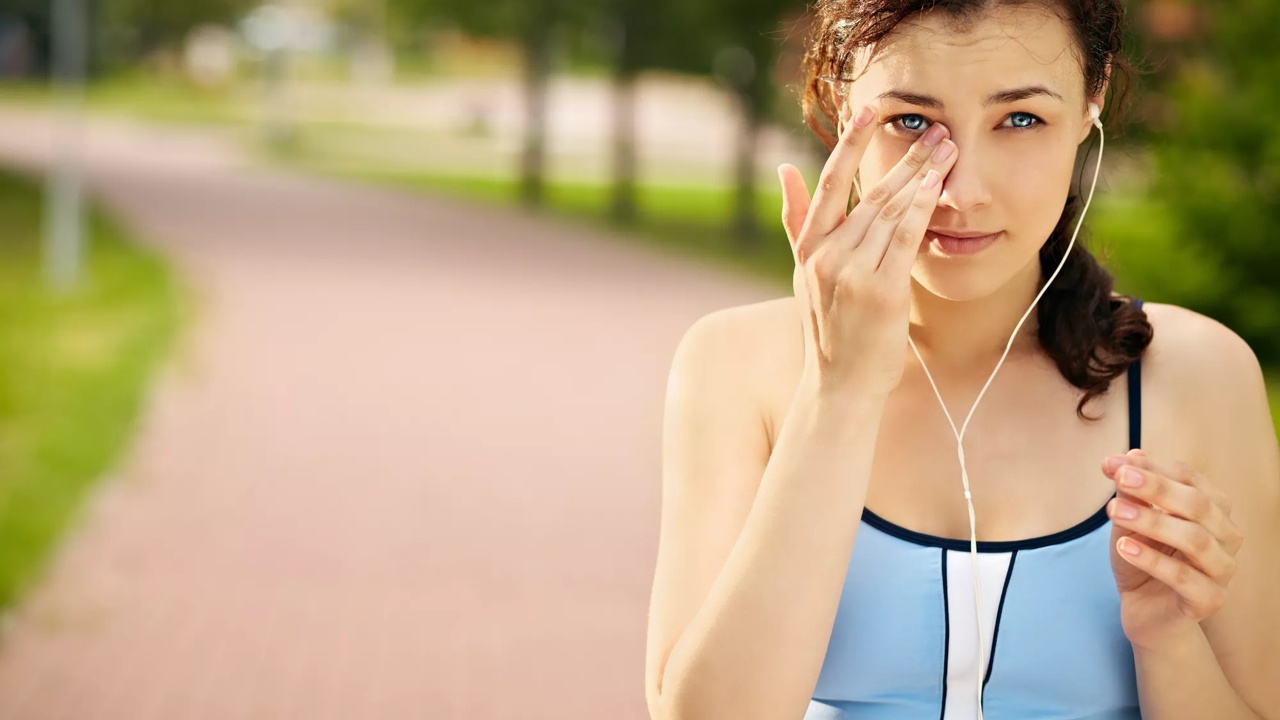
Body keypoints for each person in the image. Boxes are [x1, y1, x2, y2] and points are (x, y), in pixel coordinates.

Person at [644, 2, 1280, 720]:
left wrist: (1168, 637)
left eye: (1020, 120)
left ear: (1090, 103)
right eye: (911, 121)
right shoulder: (738, 366)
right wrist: (839, 387)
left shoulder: (1193, 377)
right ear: (835, 99)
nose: (963, 191)